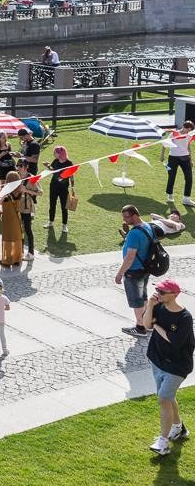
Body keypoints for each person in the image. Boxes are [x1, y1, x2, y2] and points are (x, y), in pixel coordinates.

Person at [143, 279, 194, 455]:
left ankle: (163, 443)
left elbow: (174, 341)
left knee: (164, 397)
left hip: (177, 365)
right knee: (167, 397)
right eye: (157, 290)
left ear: (174, 295)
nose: (158, 293)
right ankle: (179, 428)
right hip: (157, 360)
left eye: (162, 292)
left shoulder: (185, 317)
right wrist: (150, 306)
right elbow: (146, 325)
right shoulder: (158, 306)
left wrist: (156, 325)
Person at [117, 205, 156, 338]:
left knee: (137, 300)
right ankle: (146, 323)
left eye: (126, 217)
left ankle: (140, 327)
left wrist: (120, 273)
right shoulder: (148, 226)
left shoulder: (134, 233)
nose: (124, 220)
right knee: (143, 296)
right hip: (144, 269)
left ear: (134, 215)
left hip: (134, 271)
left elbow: (130, 258)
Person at [45, 145, 76, 232]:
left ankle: (64, 225)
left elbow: (71, 176)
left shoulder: (69, 163)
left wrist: (73, 188)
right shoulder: (55, 161)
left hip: (64, 188)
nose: (54, 154)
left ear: (60, 153)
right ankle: (50, 222)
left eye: (55, 152)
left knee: (64, 207)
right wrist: (48, 166)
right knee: (52, 205)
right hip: (53, 186)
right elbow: (53, 171)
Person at [15, 161, 40, 261]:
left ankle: (31, 253)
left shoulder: (32, 178)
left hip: (27, 207)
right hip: (17, 206)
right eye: (17, 165)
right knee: (18, 230)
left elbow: (40, 193)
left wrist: (26, 190)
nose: (18, 167)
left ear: (26, 167)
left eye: (20, 166)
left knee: (28, 230)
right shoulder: (15, 176)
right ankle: (19, 252)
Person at [0, 171, 25, 268]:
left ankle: (8, 260)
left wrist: (3, 191)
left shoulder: (7, 194)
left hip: (8, 218)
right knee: (17, 237)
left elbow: (0, 201)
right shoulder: (20, 191)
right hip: (17, 217)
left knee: (8, 238)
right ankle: (17, 259)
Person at [165, 120, 194, 207]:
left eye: (190, 130)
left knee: (189, 178)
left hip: (185, 158)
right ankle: (170, 195)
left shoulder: (189, 135)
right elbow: (165, 144)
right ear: (185, 127)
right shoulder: (174, 134)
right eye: (188, 129)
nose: (189, 131)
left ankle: (186, 199)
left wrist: (190, 159)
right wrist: (162, 155)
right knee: (171, 177)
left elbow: (188, 146)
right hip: (173, 158)